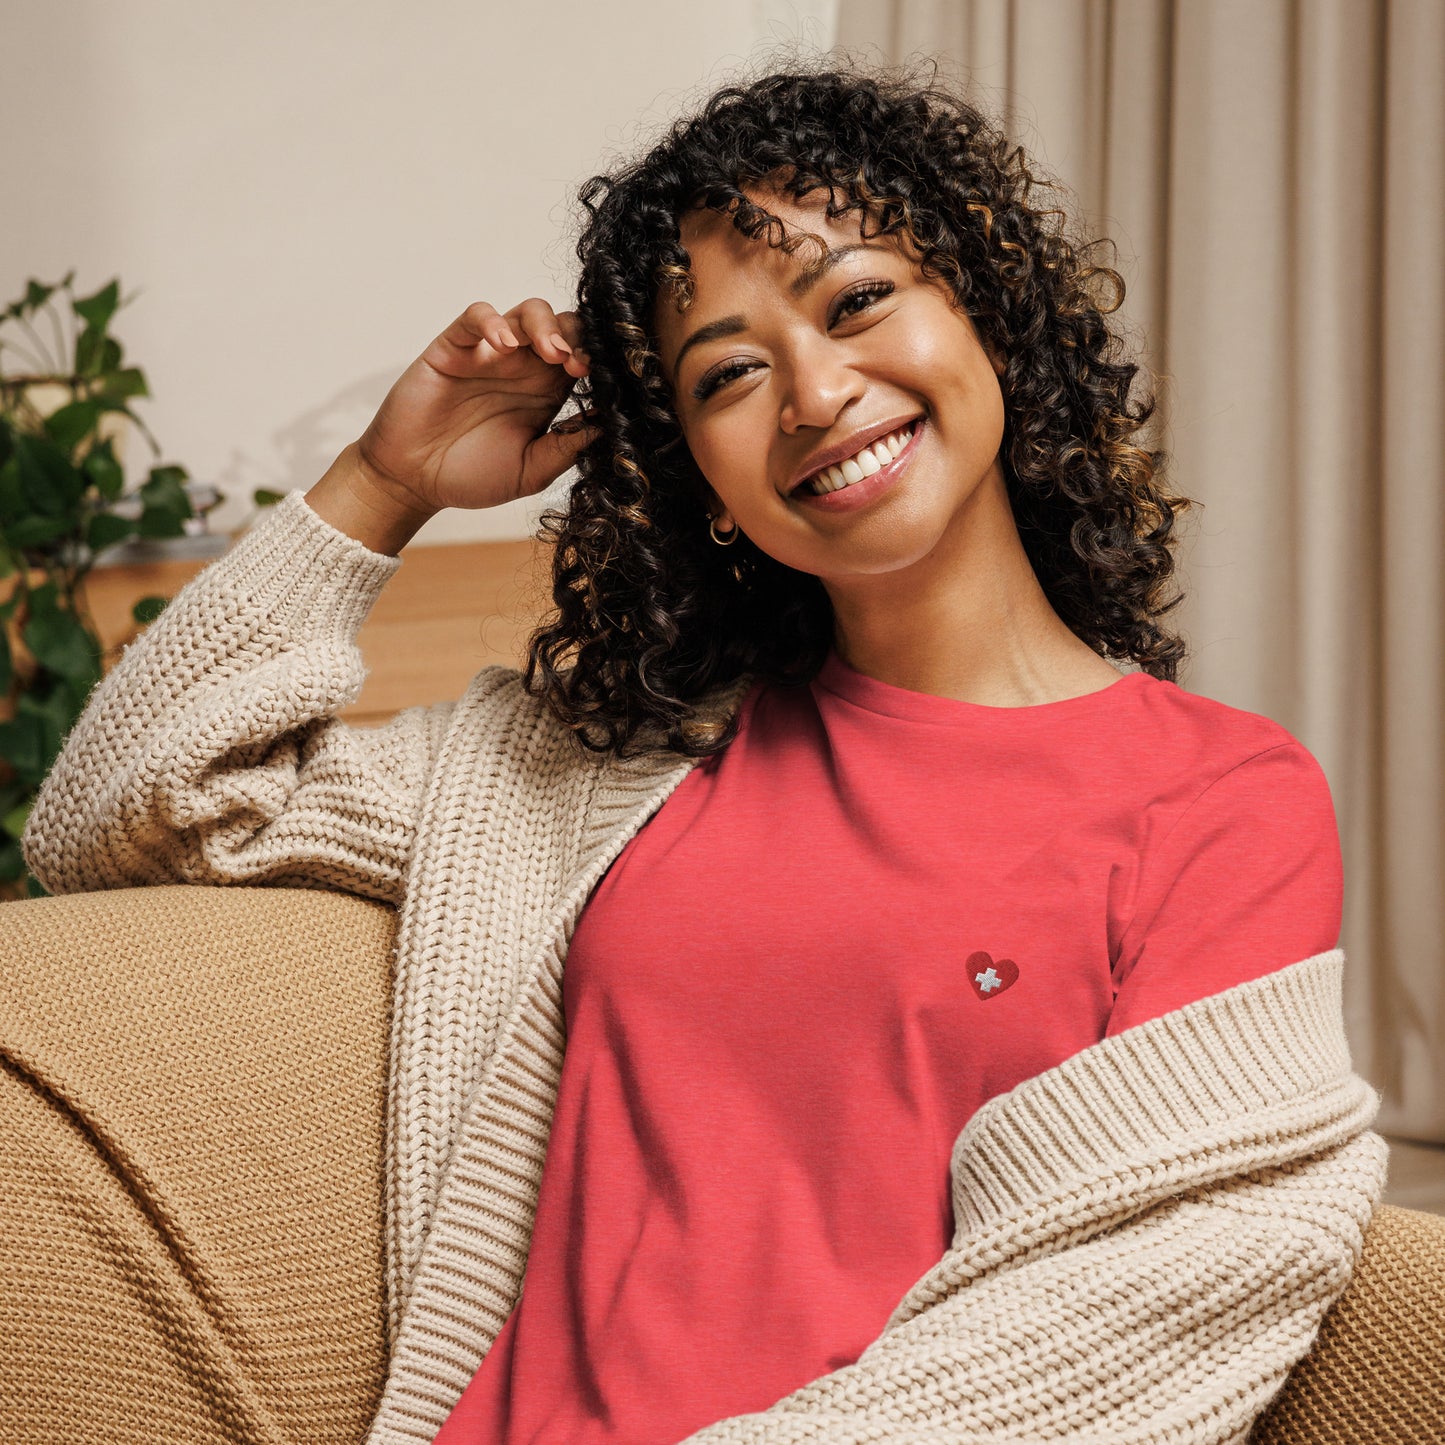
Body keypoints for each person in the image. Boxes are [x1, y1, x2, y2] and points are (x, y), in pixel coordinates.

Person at [15, 57, 1385, 1445]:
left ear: (987, 315)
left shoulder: (1217, 798)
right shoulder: (608, 766)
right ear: (702, 480)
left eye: (858, 300)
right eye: (728, 372)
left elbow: (1138, 1298)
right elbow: (128, 813)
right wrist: (382, 484)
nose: (811, 390)